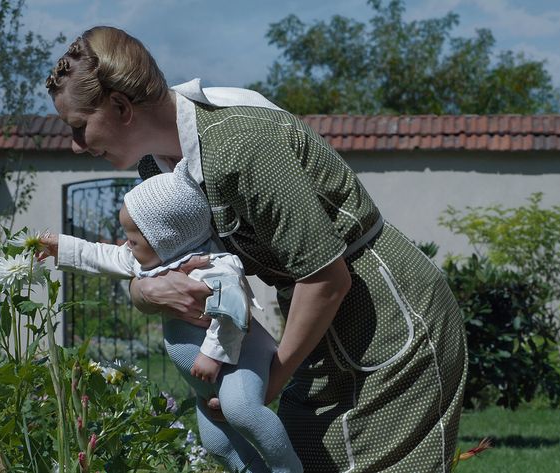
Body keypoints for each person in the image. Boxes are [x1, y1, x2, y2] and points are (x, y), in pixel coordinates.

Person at [46, 25, 467, 473]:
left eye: (79, 127)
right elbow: (154, 263)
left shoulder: (242, 145)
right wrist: (145, 293)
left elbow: (327, 278)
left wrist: (262, 387)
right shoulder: (156, 168)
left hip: (387, 316)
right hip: (318, 329)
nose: (75, 145)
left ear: (120, 106)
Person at [40, 159, 303, 472]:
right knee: (217, 444)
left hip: (238, 360)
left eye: (133, 239)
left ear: (165, 239)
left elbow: (233, 310)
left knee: (242, 410)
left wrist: (212, 354)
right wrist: (61, 247)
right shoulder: (153, 260)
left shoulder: (214, 266)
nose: (126, 245)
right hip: (208, 380)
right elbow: (103, 255)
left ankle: (287, 467)